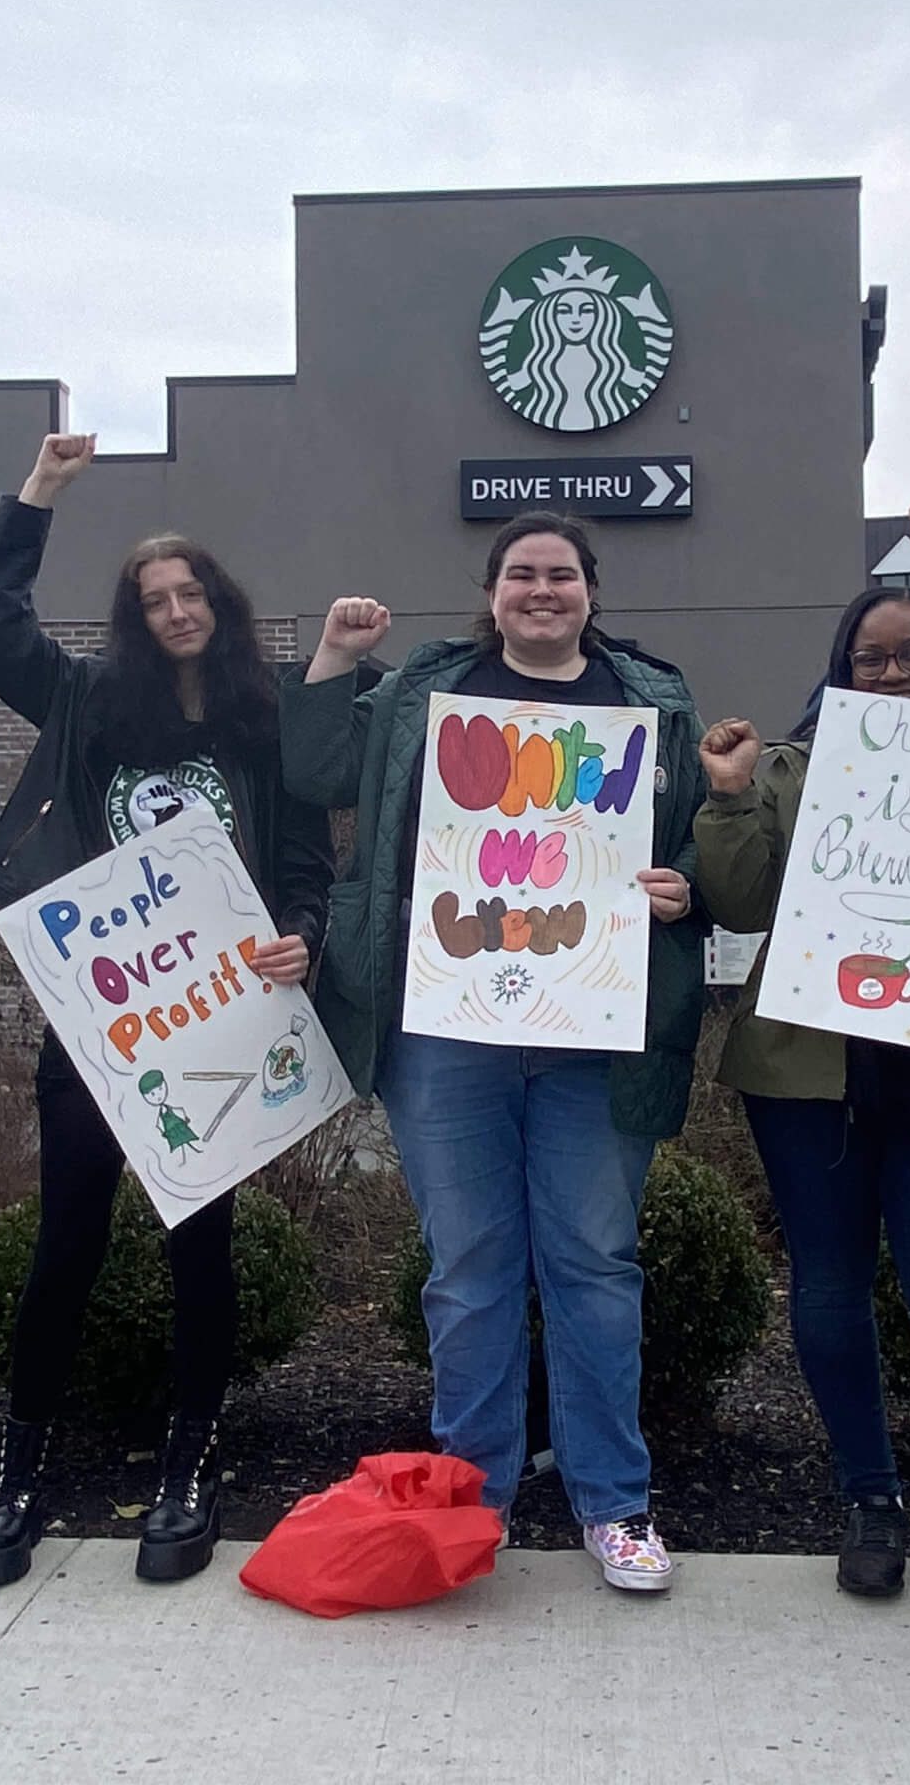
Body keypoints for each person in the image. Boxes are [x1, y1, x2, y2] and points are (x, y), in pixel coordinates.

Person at [281, 511, 704, 1591]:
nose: (541, 590)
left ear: (591, 593)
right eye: (521, 574)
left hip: (592, 1032)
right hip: (446, 1028)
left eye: (561, 574)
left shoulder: (650, 700)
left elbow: (696, 838)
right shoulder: (420, 694)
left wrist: (679, 885)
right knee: (468, 1275)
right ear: (492, 591)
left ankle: (614, 1506)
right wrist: (334, 656)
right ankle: (475, 1502)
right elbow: (318, 770)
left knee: (594, 1270)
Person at [0, 431, 331, 1589]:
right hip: (102, 1020)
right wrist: (40, 494)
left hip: (217, 1016)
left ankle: (189, 1463)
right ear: (132, 616)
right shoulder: (81, 701)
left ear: (219, 604)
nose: (175, 611)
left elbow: (309, 856)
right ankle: (18, 1472)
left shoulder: (260, 721)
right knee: (65, 1240)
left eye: (190, 593)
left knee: (199, 1244)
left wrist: (302, 936)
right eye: (154, 598)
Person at [690, 487, 910, 1621]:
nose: (895, 674)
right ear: (842, 667)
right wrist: (731, 801)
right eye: (872, 658)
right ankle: (869, 1501)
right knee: (831, 1291)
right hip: (812, 1074)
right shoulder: (795, 768)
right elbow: (737, 898)